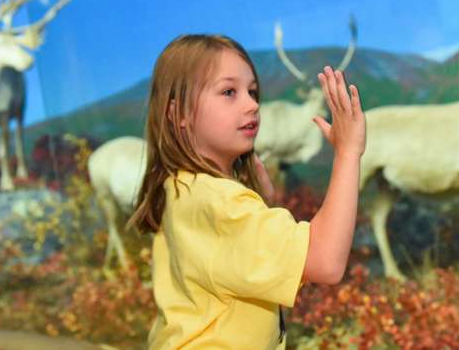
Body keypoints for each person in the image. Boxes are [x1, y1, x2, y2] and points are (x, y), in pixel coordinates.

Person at [128, 34, 365, 349]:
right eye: (229, 92)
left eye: (252, 92)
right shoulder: (218, 202)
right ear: (179, 114)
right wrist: (348, 154)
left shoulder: (182, 189)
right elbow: (325, 261)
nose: (252, 104)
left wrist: (260, 205)